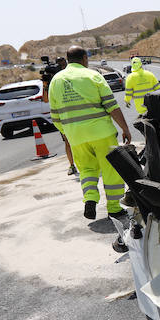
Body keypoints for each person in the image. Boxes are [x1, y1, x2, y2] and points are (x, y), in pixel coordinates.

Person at [48, 46, 132, 220]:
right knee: (111, 170)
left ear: (67, 59)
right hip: (102, 134)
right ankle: (114, 208)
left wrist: (68, 133)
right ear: (85, 59)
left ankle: (91, 199)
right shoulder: (93, 76)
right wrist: (125, 128)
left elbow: (55, 116)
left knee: (86, 170)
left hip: (76, 137)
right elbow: (112, 106)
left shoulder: (55, 81)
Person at [42, 57, 77, 175]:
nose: (62, 67)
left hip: (77, 113)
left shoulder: (72, 75)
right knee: (68, 142)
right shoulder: (54, 81)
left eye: (63, 65)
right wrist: (45, 84)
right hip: (64, 117)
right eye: (59, 65)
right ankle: (72, 165)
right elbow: (46, 99)